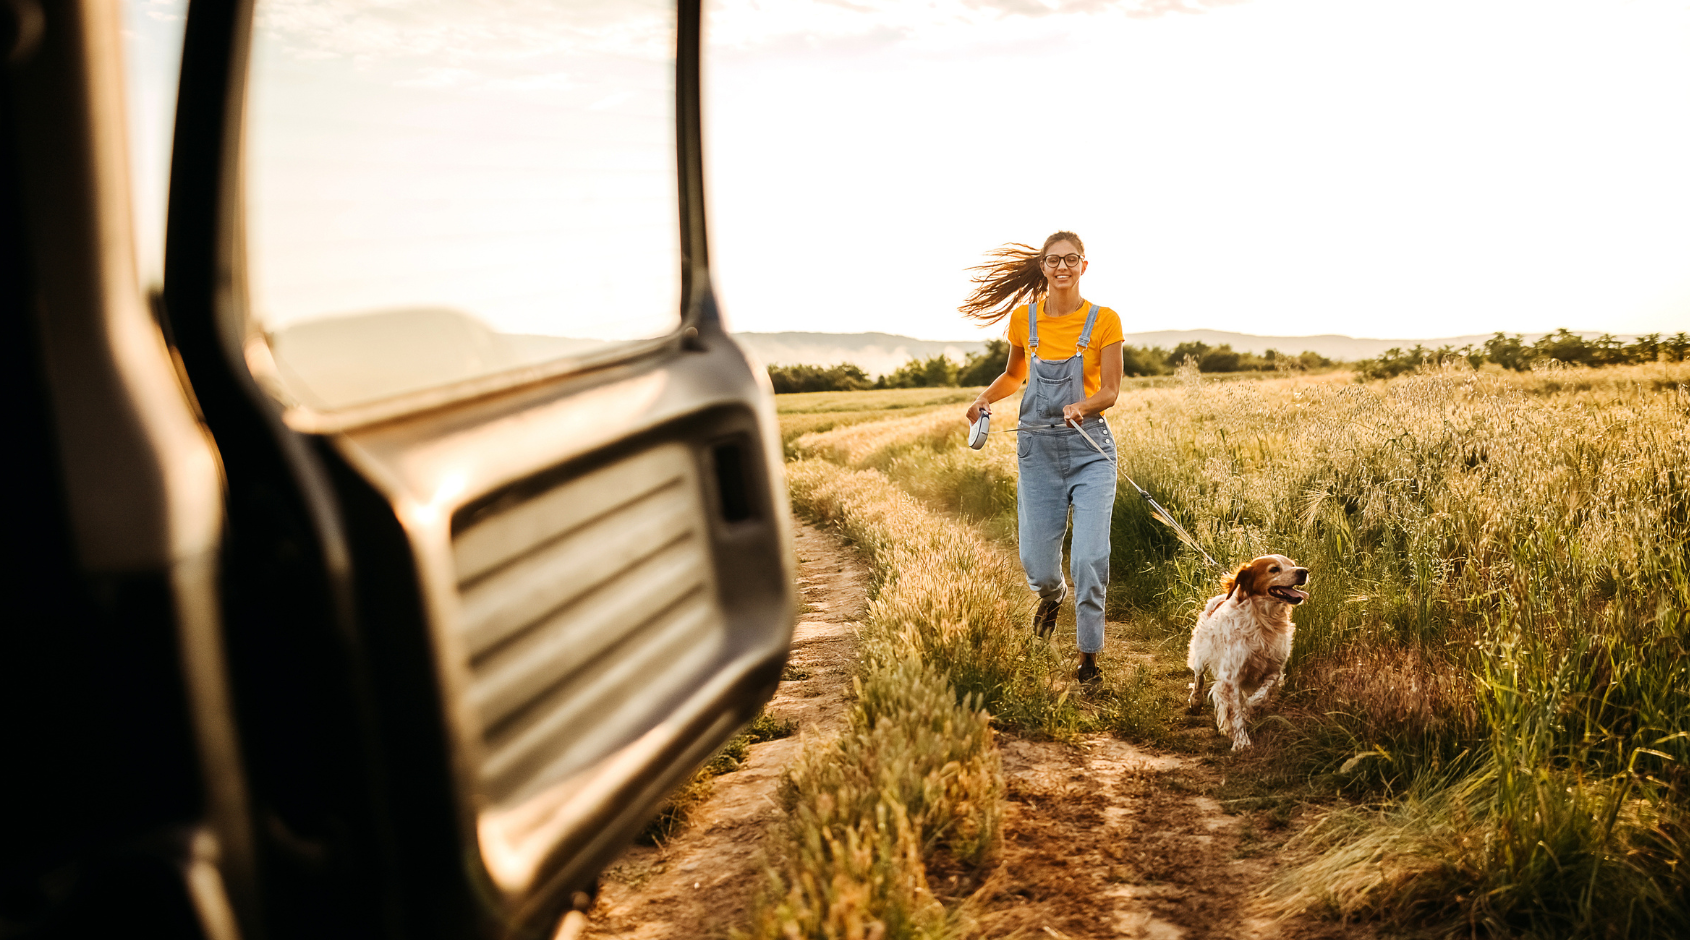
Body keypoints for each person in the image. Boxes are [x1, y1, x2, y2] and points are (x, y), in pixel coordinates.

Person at [962, 231, 1122, 683]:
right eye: (1054, 260)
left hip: (1090, 449)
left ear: (1084, 265)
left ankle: (1088, 659)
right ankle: (1052, 597)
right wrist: (982, 399)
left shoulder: (1105, 320)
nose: (1063, 267)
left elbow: (1109, 390)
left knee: (1090, 559)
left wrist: (1084, 406)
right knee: (1037, 563)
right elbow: (1014, 375)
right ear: (1043, 267)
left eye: (1072, 259)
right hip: (1037, 452)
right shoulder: (1023, 320)